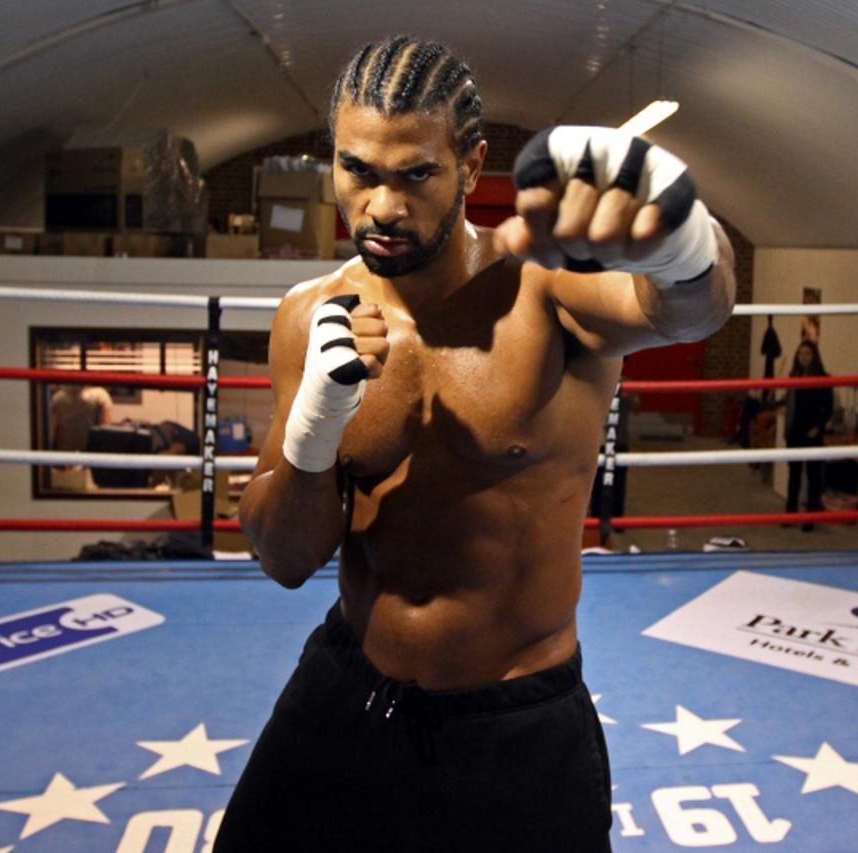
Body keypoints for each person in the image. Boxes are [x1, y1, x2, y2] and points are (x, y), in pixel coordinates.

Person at [215, 36, 735, 852]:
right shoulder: (310, 318)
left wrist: (683, 244)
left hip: (517, 726)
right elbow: (283, 558)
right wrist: (315, 429)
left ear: (472, 162)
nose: (382, 206)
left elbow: (692, 311)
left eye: (415, 174)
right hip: (348, 691)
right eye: (358, 171)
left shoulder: (548, 289)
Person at [783, 341, 833, 531]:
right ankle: (790, 513)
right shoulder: (793, 377)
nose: (803, 357)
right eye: (800, 353)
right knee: (793, 474)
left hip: (812, 432)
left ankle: (811, 518)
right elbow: (790, 406)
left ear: (815, 356)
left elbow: (828, 409)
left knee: (813, 476)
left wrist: (818, 427)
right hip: (795, 431)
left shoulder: (823, 379)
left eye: (808, 354)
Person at [48, 384, 112, 452]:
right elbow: (105, 434)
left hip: (63, 456)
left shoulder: (57, 398)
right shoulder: (101, 396)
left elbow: (51, 435)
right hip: (90, 457)